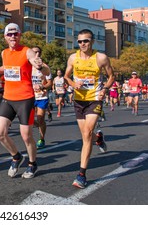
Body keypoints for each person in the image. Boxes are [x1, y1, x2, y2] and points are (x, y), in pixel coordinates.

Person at [0, 23, 43, 179]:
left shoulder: (27, 51)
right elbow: (6, 68)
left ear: (20, 35)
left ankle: (32, 164)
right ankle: (16, 156)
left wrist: (37, 63)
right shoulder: (4, 52)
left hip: (25, 98)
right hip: (8, 98)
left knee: (26, 136)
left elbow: (33, 60)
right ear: (5, 37)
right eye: (9, 34)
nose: (12, 37)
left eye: (15, 34)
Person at [64, 29, 113, 189]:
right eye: (80, 41)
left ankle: (81, 174)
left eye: (85, 41)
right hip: (79, 100)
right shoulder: (73, 58)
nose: (82, 44)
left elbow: (111, 76)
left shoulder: (101, 58)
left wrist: (105, 89)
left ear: (92, 42)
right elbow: (66, 76)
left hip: (94, 99)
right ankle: (98, 139)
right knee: (86, 136)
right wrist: (72, 84)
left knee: (86, 134)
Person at [31, 46, 52, 149]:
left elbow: (50, 83)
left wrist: (42, 86)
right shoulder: (27, 66)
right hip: (29, 96)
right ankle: (36, 124)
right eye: (34, 52)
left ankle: (41, 138)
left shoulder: (45, 67)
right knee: (27, 119)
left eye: (38, 52)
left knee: (40, 119)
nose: (36, 54)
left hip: (41, 97)